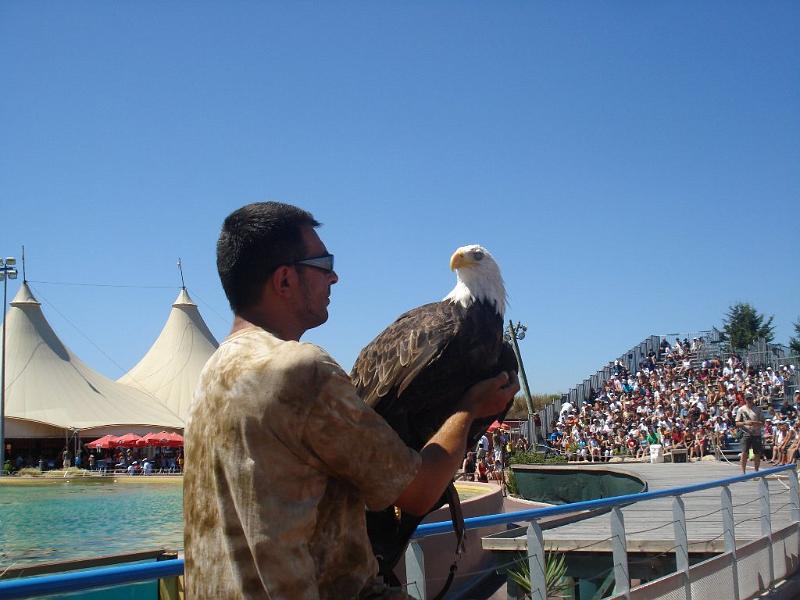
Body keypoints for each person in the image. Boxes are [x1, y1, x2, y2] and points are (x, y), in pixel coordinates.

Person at [183, 202, 518, 600]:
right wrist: (470, 409)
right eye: (323, 264)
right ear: (285, 280)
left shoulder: (211, 377)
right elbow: (418, 491)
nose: (335, 277)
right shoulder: (300, 369)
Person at [736, 392, 764, 474]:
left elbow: (763, 422)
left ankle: (756, 471)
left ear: (753, 399)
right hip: (746, 433)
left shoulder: (758, 409)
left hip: (756, 433)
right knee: (744, 453)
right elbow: (737, 423)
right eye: (747, 399)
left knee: (757, 453)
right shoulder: (741, 409)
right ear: (745, 400)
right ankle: (743, 472)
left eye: (750, 398)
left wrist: (755, 422)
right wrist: (745, 423)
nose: (749, 400)